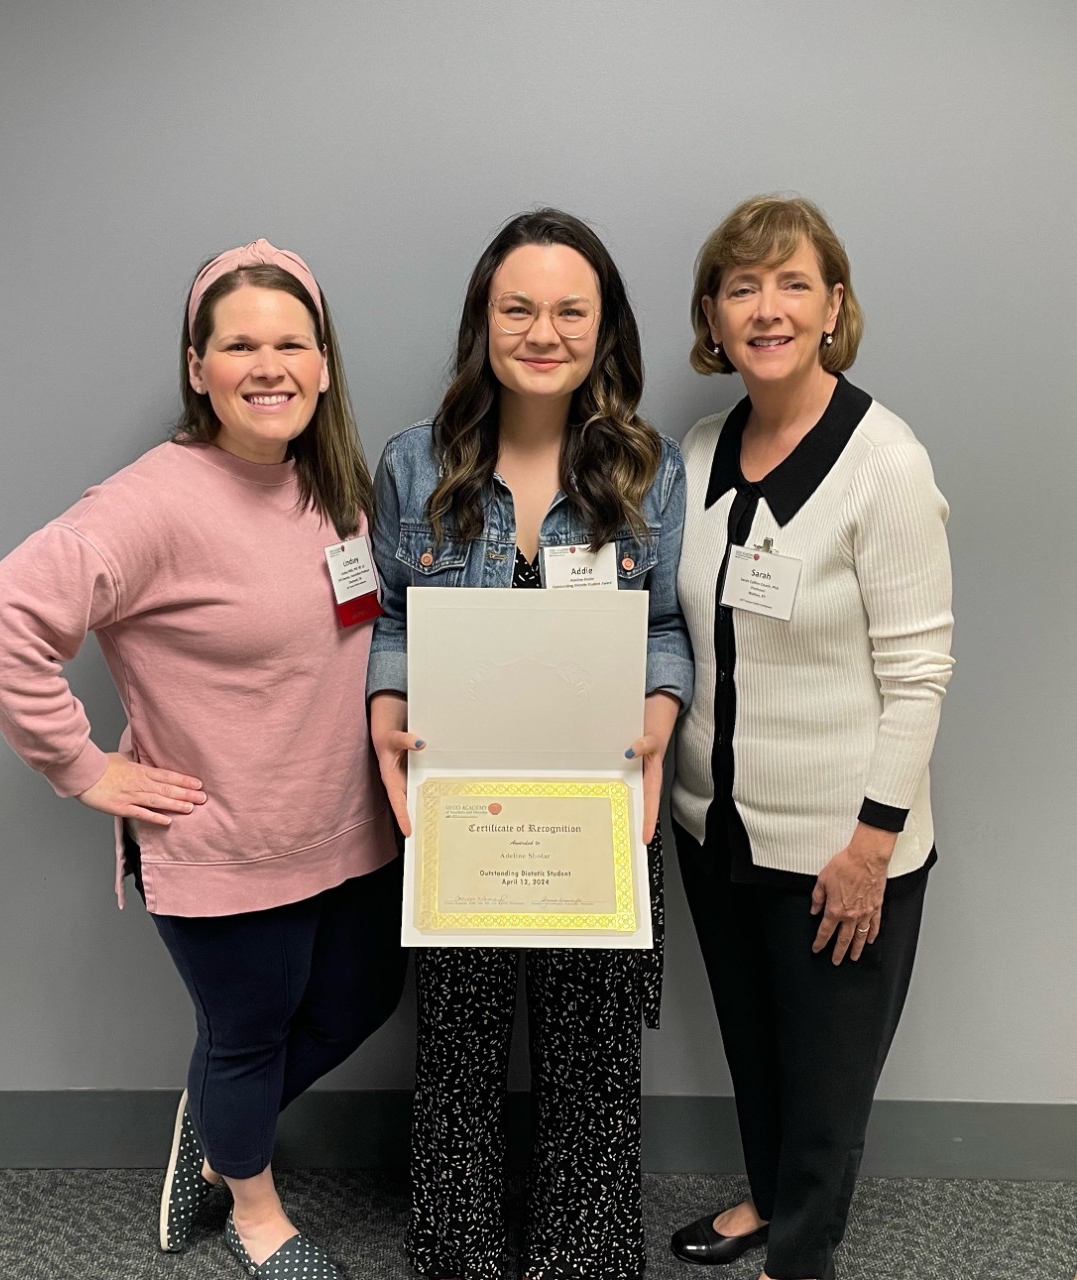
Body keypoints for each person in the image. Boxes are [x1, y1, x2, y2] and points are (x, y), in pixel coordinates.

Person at [0, 240, 405, 1280]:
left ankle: (216, 1126)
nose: (268, 363)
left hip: (351, 824)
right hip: (224, 842)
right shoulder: (150, 500)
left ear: (325, 363)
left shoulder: (331, 483)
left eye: (291, 341)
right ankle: (254, 1207)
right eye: (238, 342)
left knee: (358, 1000)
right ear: (197, 367)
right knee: (246, 1035)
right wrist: (82, 767)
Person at [369, 208, 693, 1280]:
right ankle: (457, 1247)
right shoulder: (415, 463)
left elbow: (664, 626)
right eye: (519, 307)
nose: (542, 330)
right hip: (461, 802)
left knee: (595, 1050)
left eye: (570, 309)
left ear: (605, 331)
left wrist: (660, 715)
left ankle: (586, 1251)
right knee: (457, 1047)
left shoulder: (650, 469)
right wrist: (384, 707)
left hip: (601, 799)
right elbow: (392, 614)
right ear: (484, 320)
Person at [668, 196, 954, 1280]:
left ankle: (801, 1254)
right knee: (759, 1057)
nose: (768, 307)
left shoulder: (885, 461)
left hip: (843, 847)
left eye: (793, 283)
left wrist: (873, 844)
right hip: (717, 832)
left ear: (834, 304)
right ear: (713, 313)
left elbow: (920, 673)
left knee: (826, 1095)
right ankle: (766, 1197)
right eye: (742, 286)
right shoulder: (698, 452)